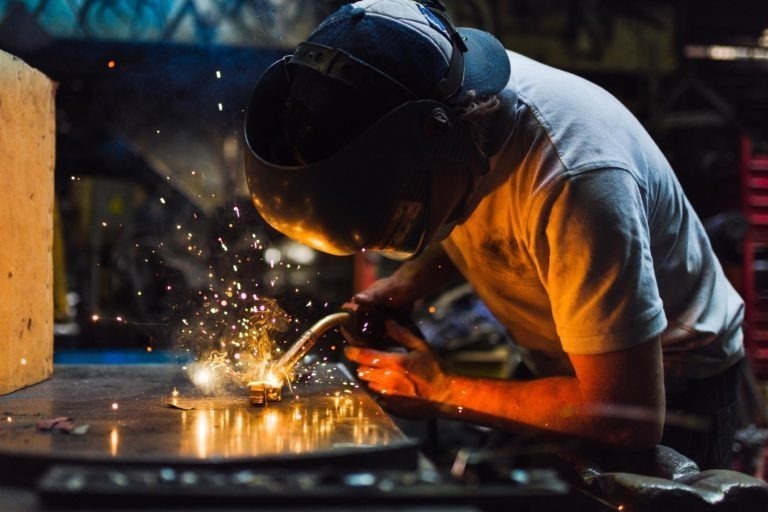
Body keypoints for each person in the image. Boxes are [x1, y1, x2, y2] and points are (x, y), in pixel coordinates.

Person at [242, 0, 745, 470]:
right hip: (561, 366)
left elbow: (625, 415)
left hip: (670, 386)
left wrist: (440, 390)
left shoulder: (578, 181)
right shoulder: (459, 112)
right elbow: (492, 223)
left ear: (440, 139)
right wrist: (409, 284)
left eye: (404, 217)